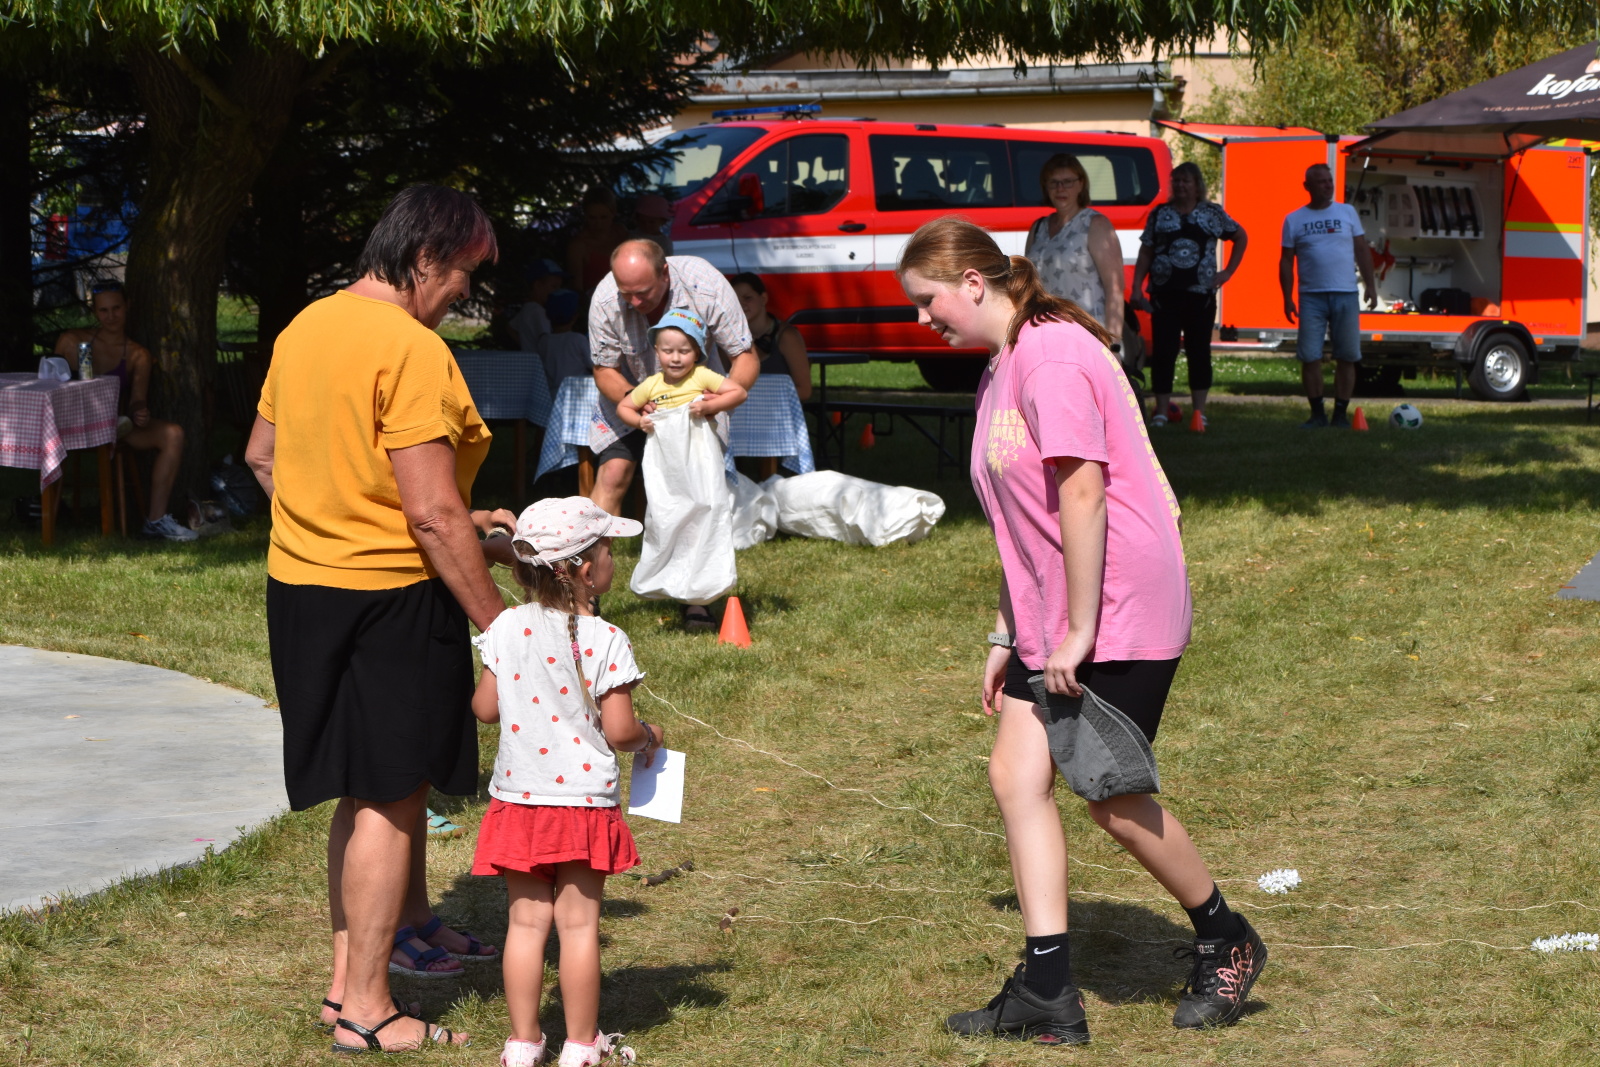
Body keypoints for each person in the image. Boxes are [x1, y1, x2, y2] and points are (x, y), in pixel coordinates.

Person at [897, 216, 1267, 1045]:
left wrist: (1079, 630)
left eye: (927, 301)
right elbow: (1021, 518)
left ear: (972, 283)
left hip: (1120, 607)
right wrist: (1006, 631)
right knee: (1015, 775)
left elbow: (1083, 493)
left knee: (1112, 799)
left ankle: (1226, 937)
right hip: (1056, 613)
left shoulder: (1052, 355)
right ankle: (1048, 991)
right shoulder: (1004, 363)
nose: (923, 319)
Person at [245, 184, 522, 1053]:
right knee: (394, 796)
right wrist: (501, 625)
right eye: (466, 275)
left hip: (301, 589)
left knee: (363, 791)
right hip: (390, 599)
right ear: (426, 257)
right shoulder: (410, 347)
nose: (466, 293)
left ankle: (345, 991)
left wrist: (331, 519)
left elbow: (262, 455)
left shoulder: (304, 326)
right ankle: (370, 1007)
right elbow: (431, 514)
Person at [470, 496, 661, 1067]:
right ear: (585, 570)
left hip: (519, 801)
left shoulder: (504, 627)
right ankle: (581, 1046)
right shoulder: (606, 638)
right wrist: (650, 736)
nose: (613, 559)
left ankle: (522, 1044)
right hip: (581, 806)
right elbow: (621, 730)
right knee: (579, 927)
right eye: (608, 550)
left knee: (525, 923)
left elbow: (484, 709)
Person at [587, 239, 757, 516]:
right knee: (613, 475)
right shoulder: (606, 299)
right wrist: (634, 400)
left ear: (664, 273)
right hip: (630, 394)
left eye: (643, 292)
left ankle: (696, 542)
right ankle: (596, 544)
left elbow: (745, 355)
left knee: (694, 486)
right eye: (627, 294)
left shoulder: (705, 285)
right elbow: (604, 369)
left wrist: (718, 399)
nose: (635, 302)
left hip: (695, 401)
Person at [616, 308, 747, 630]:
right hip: (666, 466)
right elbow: (624, 406)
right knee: (668, 515)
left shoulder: (701, 377)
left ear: (697, 353)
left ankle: (700, 591)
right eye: (668, 350)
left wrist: (710, 405)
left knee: (703, 511)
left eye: (684, 351)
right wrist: (639, 421)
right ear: (656, 351)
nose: (675, 358)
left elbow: (738, 391)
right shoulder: (652, 384)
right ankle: (668, 579)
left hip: (699, 461)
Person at [53, 283, 194, 541]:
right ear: (95, 312)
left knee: (173, 434)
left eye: (116, 308)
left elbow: (137, 401)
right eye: (103, 310)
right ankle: (46, 506)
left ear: (127, 306)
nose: (111, 316)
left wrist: (140, 412)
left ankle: (156, 521)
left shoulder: (138, 354)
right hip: (73, 423)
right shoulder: (73, 341)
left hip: (114, 425)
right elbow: (52, 383)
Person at [1130, 162, 1248, 429]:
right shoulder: (1160, 214)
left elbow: (1240, 236)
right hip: (1164, 294)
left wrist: (1228, 272)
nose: (1181, 186)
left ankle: (1199, 411)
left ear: (1197, 186)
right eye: (1177, 181)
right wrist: (1137, 286)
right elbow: (1146, 251)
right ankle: (1161, 412)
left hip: (1200, 295)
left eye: (1186, 181)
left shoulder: (1211, 213)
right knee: (1164, 352)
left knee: (1199, 351)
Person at [1280, 163, 1379, 428]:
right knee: (1310, 356)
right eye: (1321, 181)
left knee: (1347, 356)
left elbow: (1361, 249)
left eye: (1329, 180)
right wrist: (1287, 298)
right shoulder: (1294, 219)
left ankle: (1340, 415)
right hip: (1311, 297)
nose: (1328, 185)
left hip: (1345, 294)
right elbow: (1286, 261)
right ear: (1307, 186)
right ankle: (1317, 414)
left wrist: (1370, 286)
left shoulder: (1347, 212)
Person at [1024, 155, 1124, 344]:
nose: (1060, 188)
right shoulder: (1038, 228)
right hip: (1045, 334)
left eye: (1068, 182)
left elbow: (1115, 288)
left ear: (1081, 184)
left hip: (1087, 336)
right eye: (1054, 182)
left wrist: (1114, 344)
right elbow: (1028, 285)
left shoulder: (1096, 224)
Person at [731, 271, 811, 401]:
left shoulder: (787, 336)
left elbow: (804, 390)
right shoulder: (731, 336)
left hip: (777, 409)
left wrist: (763, 396)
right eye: (735, 300)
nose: (741, 304)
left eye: (747, 298)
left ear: (763, 299)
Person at [566, 188, 629, 296]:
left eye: (604, 217)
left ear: (613, 213)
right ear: (585, 215)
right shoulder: (578, 246)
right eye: (592, 218)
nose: (598, 224)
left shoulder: (620, 233)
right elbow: (576, 289)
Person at [537, 289, 591, 394]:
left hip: (551, 393)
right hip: (577, 392)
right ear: (575, 316)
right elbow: (593, 364)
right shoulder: (578, 339)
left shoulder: (543, 341)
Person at [508, 259, 566, 353]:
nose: (558, 291)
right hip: (541, 360)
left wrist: (527, 346)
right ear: (538, 285)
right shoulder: (539, 312)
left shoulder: (527, 309)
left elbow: (511, 328)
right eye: (554, 286)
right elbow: (547, 343)